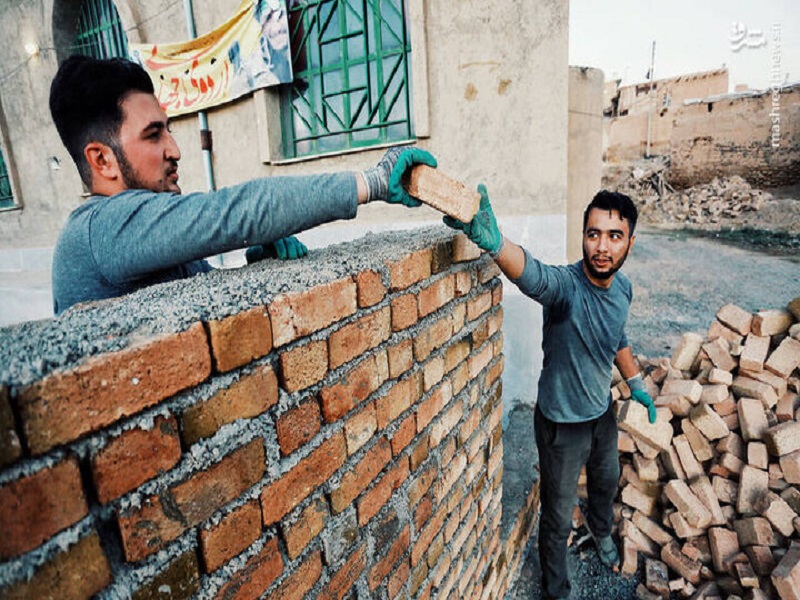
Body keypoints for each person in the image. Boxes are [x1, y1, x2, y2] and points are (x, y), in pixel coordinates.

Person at [48, 55, 436, 315]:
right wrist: (375, 181)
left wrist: (255, 269)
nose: (175, 150)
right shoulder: (99, 230)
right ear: (102, 160)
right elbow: (237, 213)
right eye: (153, 135)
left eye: (169, 130)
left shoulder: (144, 231)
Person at [444, 185, 656, 599]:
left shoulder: (623, 289)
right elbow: (534, 276)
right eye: (594, 234)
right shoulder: (566, 288)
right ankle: (556, 589)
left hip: (601, 413)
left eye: (614, 236)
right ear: (583, 237)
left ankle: (601, 532)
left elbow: (617, 336)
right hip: (561, 425)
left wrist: (636, 384)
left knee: (605, 481)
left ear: (630, 242)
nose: (602, 247)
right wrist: (497, 244)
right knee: (557, 518)